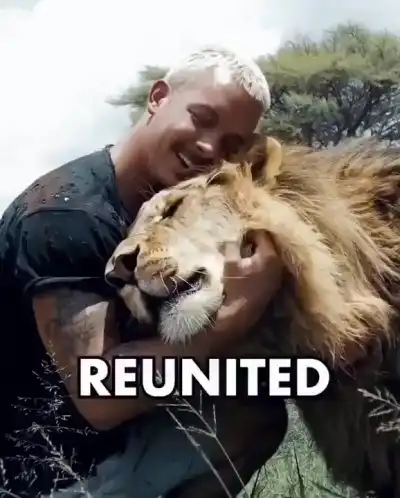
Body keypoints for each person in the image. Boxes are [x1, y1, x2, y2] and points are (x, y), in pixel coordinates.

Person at [0, 46, 287, 498]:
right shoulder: (64, 217)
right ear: (157, 97)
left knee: (255, 410)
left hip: (102, 441)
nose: (209, 148)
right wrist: (238, 314)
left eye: (232, 144)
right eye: (201, 118)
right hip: (37, 474)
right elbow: (101, 395)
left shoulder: (159, 195)